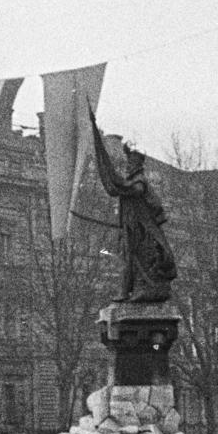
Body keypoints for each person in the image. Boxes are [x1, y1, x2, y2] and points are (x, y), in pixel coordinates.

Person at [89, 106, 178, 303]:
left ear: (137, 164)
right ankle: (128, 291)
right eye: (128, 162)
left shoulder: (139, 181)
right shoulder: (131, 181)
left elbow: (138, 191)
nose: (128, 165)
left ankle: (133, 290)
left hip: (141, 231)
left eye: (131, 163)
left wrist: (124, 186)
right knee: (128, 259)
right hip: (131, 229)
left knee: (134, 259)